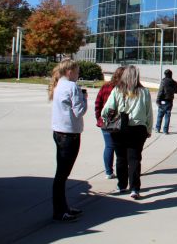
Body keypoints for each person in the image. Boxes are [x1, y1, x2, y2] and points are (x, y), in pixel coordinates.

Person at [102, 65, 153, 199]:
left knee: (121, 158)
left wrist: (107, 118)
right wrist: (149, 128)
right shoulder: (144, 92)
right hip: (138, 128)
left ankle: (121, 184)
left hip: (119, 128)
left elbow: (106, 110)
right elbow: (149, 113)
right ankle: (135, 188)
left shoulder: (117, 91)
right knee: (135, 158)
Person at [50, 58, 87, 222]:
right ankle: (60, 211)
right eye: (77, 71)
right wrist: (84, 98)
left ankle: (63, 207)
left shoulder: (59, 85)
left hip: (59, 131)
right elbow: (79, 111)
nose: (78, 74)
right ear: (70, 71)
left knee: (61, 173)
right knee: (62, 174)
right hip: (70, 134)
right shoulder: (72, 86)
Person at [94, 66, 125, 179]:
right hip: (118, 122)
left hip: (105, 121)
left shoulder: (105, 86)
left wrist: (99, 118)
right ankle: (121, 170)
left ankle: (108, 171)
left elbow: (98, 103)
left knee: (109, 146)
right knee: (120, 148)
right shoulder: (122, 89)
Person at [155, 69, 177, 134]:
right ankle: (165, 130)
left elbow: (160, 91)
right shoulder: (174, 82)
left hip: (162, 100)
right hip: (169, 101)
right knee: (167, 116)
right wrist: (172, 90)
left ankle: (158, 128)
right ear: (171, 74)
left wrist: (158, 100)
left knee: (160, 115)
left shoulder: (163, 81)